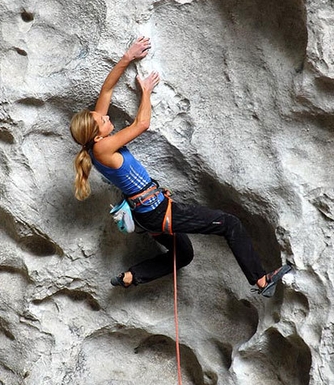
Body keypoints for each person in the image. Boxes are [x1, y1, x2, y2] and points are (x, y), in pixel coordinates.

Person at [70, 37, 292, 296]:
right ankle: (261, 280)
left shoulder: (94, 145)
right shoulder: (102, 148)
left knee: (183, 255)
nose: (106, 116)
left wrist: (128, 57)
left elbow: (106, 91)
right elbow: (141, 125)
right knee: (229, 224)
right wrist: (146, 93)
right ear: (96, 136)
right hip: (157, 210)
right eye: (102, 120)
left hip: (145, 213)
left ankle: (133, 276)